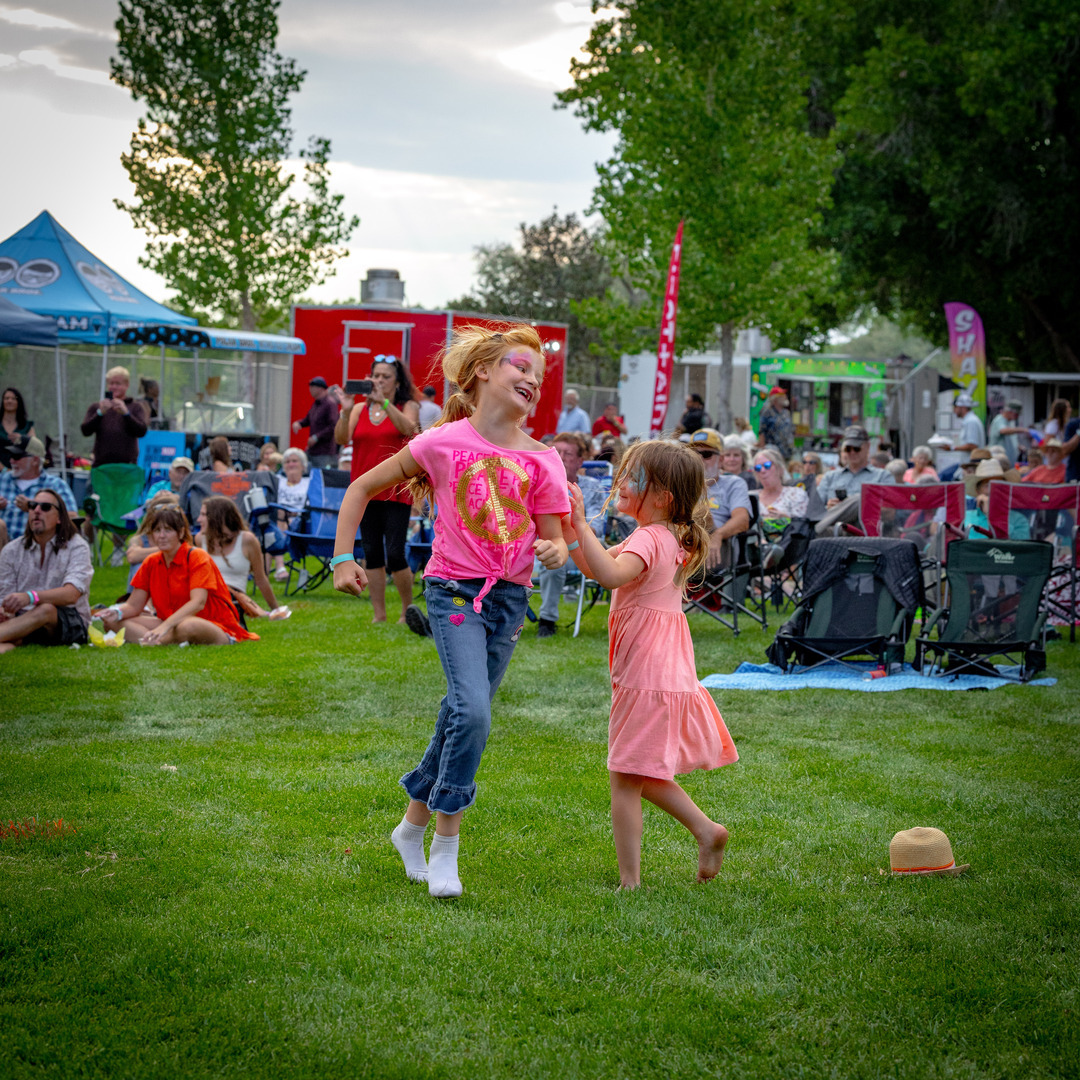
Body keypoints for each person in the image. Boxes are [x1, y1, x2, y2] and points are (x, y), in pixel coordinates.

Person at [332, 324, 569, 899]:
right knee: (475, 713)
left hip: (510, 601)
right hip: (454, 591)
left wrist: (556, 549)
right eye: (520, 366)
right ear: (482, 371)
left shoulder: (544, 459)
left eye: (537, 374)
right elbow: (361, 487)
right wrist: (342, 556)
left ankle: (409, 828)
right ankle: (445, 845)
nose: (531, 379)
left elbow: (557, 540)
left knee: (463, 712)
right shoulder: (441, 443)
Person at [563, 439, 737, 888]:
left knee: (624, 777)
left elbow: (610, 574)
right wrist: (572, 532)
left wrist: (582, 524)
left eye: (634, 476)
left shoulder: (649, 537)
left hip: (647, 673)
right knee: (635, 770)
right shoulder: (666, 535)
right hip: (660, 670)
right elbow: (594, 566)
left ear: (662, 498)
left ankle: (630, 882)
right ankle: (706, 830)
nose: (622, 482)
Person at [332, 355, 421, 622]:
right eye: (376, 376)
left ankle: (407, 611)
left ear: (397, 381)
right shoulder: (359, 410)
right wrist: (347, 409)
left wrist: (383, 401)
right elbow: (341, 438)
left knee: (395, 553)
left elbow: (410, 429)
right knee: (372, 553)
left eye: (386, 377)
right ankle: (379, 614)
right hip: (365, 490)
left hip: (395, 489)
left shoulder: (408, 405)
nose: (379, 380)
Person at [102, 505, 257, 645]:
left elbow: (198, 603)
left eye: (168, 530)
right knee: (112, 622)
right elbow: (133, 606)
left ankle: (155, 640)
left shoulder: (197, 556)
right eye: (157, 530)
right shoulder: (151, 562)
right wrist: (116, 612)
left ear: (181, 532)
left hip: (212, 625)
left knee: (188, 625)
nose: (161, 535)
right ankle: (154, 640)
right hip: (170, 623)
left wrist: (164, 626)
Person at [534, 431, 609, 639]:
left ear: (579, 461)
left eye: (568, 454)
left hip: (583, 552)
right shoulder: (540, 485)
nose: (561, 457)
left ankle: (547, 620)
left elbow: (596, 526)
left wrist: (567, 530)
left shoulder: (592, 487)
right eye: (556, 451)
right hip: (538, 549)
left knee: (554, 557)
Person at [0, 489, 93, 654]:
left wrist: (30, 597)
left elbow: (71, 594)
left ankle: (14, 634)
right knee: (10, 640)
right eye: (32, 506)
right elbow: (5, 595)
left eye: (45, 507)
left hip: (69, 621)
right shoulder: (12, 550)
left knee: (46, 609)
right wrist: (5, 610)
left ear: (59, 518)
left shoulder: (76, 546)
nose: (36, 510)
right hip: (24, 621)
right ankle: (11, 639)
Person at [195, 496, 289, 621]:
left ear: (217, 517)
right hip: (206, 596)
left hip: (233, 598)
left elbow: (260, 578)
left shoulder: (247, 540)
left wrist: (275, 609)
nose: (198, 519)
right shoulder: (201, 539)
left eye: (203, 515)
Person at [686, 429, 750, 572]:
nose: (699, 459)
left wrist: (718, 535)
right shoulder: (681, 484)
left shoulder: (734, 483)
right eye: (694, 454)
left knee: (701, 515)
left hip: (719, 546)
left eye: (706, 454)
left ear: (721, 460)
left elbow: (742, 520)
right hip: (682, 541)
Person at [814, 425, 895, 535]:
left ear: (867, 447)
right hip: (834, 531)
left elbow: (890, 512)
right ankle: (819, 527)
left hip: (863, 531)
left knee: (862, 500)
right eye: (848, 449)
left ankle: (815, 529)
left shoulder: (883, 476)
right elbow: (815, 509)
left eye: (856, 449)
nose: (852, 452)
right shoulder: (830, 477)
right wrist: (830, 508)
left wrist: (853, 506)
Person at [0, 437, 78, 550]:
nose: (11, 461)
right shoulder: (2, 479)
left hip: (37, 545)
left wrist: (34, 508)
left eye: (17, 457)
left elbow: (72, 518)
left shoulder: (56, 484)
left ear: (35, 460)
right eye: (10, 456)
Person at [80, 366, 149, 465]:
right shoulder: (97, 407)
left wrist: (126, 414)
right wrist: (100, 414)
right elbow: (85, 431)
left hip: (127, 466)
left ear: (126, 385)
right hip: (101, 465)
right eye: (111, 383)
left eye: (118, 384)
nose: (114, 387)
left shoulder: (135, 407)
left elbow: (141, 431)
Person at [272, 447, 311, 580]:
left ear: (303, 466)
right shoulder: (277, 481)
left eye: (295, 461)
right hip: (279, 519)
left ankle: (279, 566)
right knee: (279, 516)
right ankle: (276, 568)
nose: (291, 464)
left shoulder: (309, 483)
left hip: (301, 523)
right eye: (287, 462)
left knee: (280, 520)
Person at [292, 376, 340, 469]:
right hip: (313, 451)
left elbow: (333, 426)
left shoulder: (330, 403)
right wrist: (299, 423)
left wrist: (316, 437)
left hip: (325, 453)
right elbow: (308, 419)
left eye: (312, 387)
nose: (310, 389)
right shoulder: (316, 404)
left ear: (320, 388)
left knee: (322, 478)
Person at [752, 449, 808, 523]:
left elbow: (802, 526)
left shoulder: (796, 494)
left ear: (780, 469)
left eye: (767, 465)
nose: (762, 470)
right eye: (758, 468)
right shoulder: (751, 497)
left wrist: (786, 518)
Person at [0, 387, 35, 464]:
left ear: (18, 402)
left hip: (21, 471)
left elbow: (34, 448)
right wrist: (4, 469)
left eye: (13, 398)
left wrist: (23, 439)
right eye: (6, 398)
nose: (9, 401)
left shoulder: (27, 426)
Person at [758, 387, 794, 462]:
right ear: (775, 399)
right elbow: (762, 432)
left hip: (787, 451)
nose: (785, 397)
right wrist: (763, 450)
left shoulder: (786, 413)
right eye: (781, 395)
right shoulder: (767, 412)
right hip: (773, 450)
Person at [988, 399, 1025, 466]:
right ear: (1010, 412)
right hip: (999, 463)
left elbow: (1010, 440)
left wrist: (1018, 447)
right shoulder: (999, 420)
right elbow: (1003, 431)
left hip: (1009, 463)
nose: (1017, 417)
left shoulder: (1010, 422)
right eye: (1016, 414)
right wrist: (1023, 430)